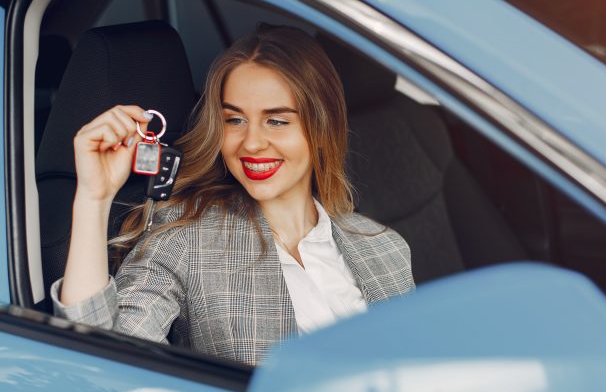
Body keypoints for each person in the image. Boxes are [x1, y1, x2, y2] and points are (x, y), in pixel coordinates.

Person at [51, 25, 415, 366]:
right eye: (235, 120)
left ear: (321, 128)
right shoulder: (185, 240)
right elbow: (102, 360)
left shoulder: (384, 247)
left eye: (277, 120)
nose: (252, 143)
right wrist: (93, 200)